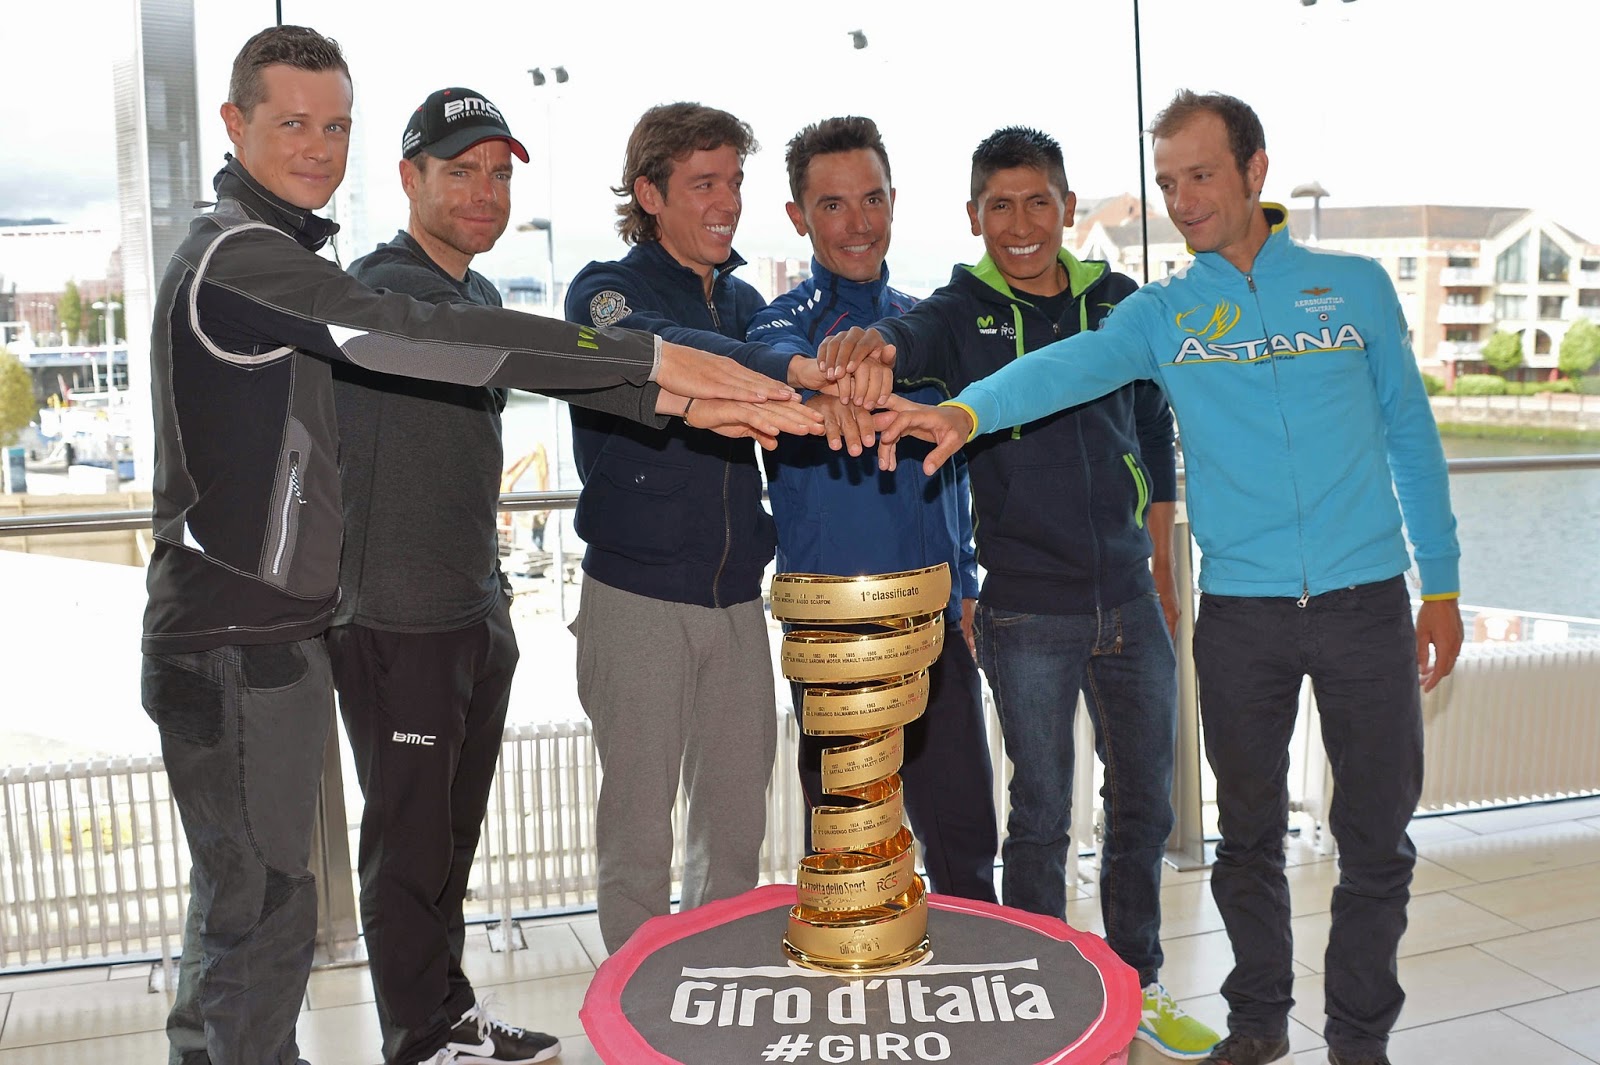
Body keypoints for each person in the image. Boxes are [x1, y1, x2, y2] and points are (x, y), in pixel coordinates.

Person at [138, 30, 817, 1065]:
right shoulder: (242, 257)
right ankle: (377, 1034)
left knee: (255, 894)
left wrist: (669, 393)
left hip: (291, 626)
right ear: (234, 125)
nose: (318, 146)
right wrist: (652, 363)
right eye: (292, 123)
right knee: (265, 904)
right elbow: (421, 334)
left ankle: (402, 1023)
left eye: (334, 125)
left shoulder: (279, 256)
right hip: (249, 630)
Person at [867, 91, 1464, 1065]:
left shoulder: (1353, 289)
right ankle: (1258, 1023)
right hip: (1241, 614)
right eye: (1167, 183)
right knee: (1246, 840)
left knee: (1375, 841)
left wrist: (1439, 585)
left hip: (1366, 603)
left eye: (1201, 177)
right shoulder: (1164, 312)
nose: (1183, 201)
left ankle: (1360, 1040)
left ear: (1254, 172)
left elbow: (1410, 434)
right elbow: (1063, 369)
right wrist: (966, 414)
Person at [807, 124, 1217, 1060]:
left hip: (1131, 597)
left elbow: (1154, 435)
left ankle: (1139, 979)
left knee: (1145, 805)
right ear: (974, 216)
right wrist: (874, 341)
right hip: (1027, 608)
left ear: (1068, 209)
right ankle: (1042, 984)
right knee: (1039, 812)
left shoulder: (1117, 302)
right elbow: (907, 335)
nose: (1022, 224)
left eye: (1039, 202)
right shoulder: (960, 310)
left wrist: (1163, 569)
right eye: (1001, 206)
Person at [564, 102, 891, 954]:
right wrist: (787, 368)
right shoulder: (604, 293)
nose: (727, 203)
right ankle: (635, 1005)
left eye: (735, 183)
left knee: (736, 825)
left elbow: (796, 363)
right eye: (704, 184)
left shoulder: (744, 301)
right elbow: (665, 344)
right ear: (649, 194)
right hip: (635, 598)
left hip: (738, 600)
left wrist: (843, 386)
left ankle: (713, 990)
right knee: (638, 831)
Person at [326, 87, 611, 1065]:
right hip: (395, 618)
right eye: (461, 172)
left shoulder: (477, 295)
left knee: (448, 838)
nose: (486, 192)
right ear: (409, 179)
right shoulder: (380, 292)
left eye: (498, 173)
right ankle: (417, 1037)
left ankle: (448, 1014)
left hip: (469, 607)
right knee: (408, 844)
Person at [745, 115, 1000, 903]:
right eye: (832, 205)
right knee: (850, 856)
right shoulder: (779, 325)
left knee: (966, 847)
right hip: (836, 637)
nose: (858, 223)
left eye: (872, 199)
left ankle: (974, 978)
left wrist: (966, 586)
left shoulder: (927, 324)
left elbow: (957, 471)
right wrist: (820, 383)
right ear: (798, 216)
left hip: (936, 625)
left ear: (894, 200)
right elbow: (770, 366)